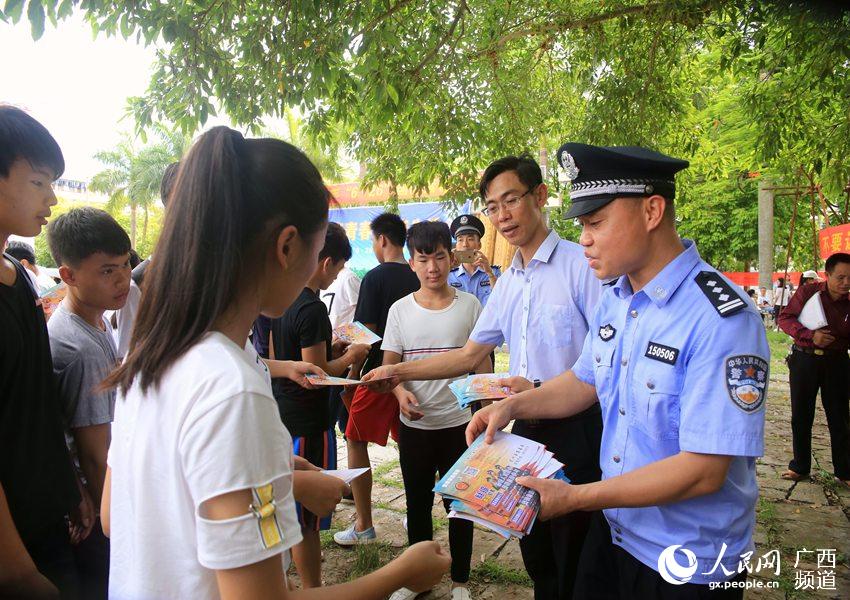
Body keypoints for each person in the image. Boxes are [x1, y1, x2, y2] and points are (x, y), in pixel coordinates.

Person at [100, 127, 450, 599]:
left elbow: (114, 513)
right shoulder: (232, 389)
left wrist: (277, 476)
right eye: (319, 246)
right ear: (287, 247)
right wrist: (400, 573)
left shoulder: (150, 356)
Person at [466, 143, 769, 599]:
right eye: (582, 225)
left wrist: (576, 498)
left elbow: (703, 470)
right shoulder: (617, 298)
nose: (584, 238)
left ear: (651, 211)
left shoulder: (720, 319)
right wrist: (511, 406)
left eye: (595, 222)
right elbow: (583, 382)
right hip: (616, 534)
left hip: (687, 557)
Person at [364, 155, 603, 600]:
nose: (502, 215)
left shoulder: (580, 266)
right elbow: (469, 354)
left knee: (575, 553)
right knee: (536, 554)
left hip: (579, 429)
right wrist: (396, 370)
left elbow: (600, 366)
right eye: (492, 206)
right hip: (526, 429)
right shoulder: (509, 282)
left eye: (510, 200)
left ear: (540, 196)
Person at [0, 105, 85, 598]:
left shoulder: (17, 278)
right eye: (38, 181)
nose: (52, 197)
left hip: (46, 521)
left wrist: (68, 490)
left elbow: (35, 404)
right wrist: (17, 570)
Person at [382, 221, 491, 600]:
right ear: (412, 263)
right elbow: (390, 366)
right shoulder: (399, 311)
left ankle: (460, 581)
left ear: (451, 257)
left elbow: (482, 365)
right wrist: (399, 394)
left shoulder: (471, 306)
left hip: (458, 426)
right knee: (416, 505)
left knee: (460, 506)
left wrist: (486, 409)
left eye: (440, 257)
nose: (433, 268)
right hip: (415, 426)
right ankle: (418, 581)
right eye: (424, 259)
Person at [268, 222, 370, 587]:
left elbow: (290, 357)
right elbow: (318, 373)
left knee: (286, 509)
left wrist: (332, 351)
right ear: (325, 261)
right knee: (308, 518)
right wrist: (353, 354)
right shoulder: (311, 308)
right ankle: (313, 588)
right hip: (310, 418)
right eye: (339, 268)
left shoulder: (277, 301)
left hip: (282, 410)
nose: (337, 276)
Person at [46, 207, 132, 598]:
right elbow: (95, 455)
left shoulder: (93, 321)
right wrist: (118, 526)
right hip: (94, 512)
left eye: (126, 264)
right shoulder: (79, 347)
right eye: (107, 270)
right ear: (68, 276)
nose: (124, 279)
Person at [334, 212, 420, 547]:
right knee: (412, 444)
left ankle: (364, 525)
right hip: (413, 375)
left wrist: (352, 373)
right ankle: (417, 514)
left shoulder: (374, 278)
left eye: (373, 240)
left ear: (382, 239)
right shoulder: (418, 275)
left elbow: (364, 334)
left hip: (377, 375)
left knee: (354, 439)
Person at [777, 253, 850, 488]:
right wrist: (811, 336)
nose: (846, 283)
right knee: (801, 414)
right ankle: (799, 466)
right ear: (827, 275)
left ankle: (845, 471)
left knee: (840, 416)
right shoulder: (809, 292)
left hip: (837, 362)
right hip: (804, 359)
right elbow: (785, 318)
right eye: (840, 277)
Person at [321, 263, 362, 435]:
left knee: (339, 419)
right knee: (328, 417)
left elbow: (360, 318)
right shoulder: (322, 282)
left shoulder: (349, 278)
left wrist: (342, 339)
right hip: (326, 355)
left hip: (343, 358)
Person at [448, 213, 501, 307]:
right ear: (456, 246)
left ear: (479, 245)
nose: (465, 244)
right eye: (460, 240)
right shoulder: (449, 274)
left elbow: (502, 300)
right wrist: (446, 266)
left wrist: (489, 273)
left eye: (470, 239)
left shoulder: (494, 272)